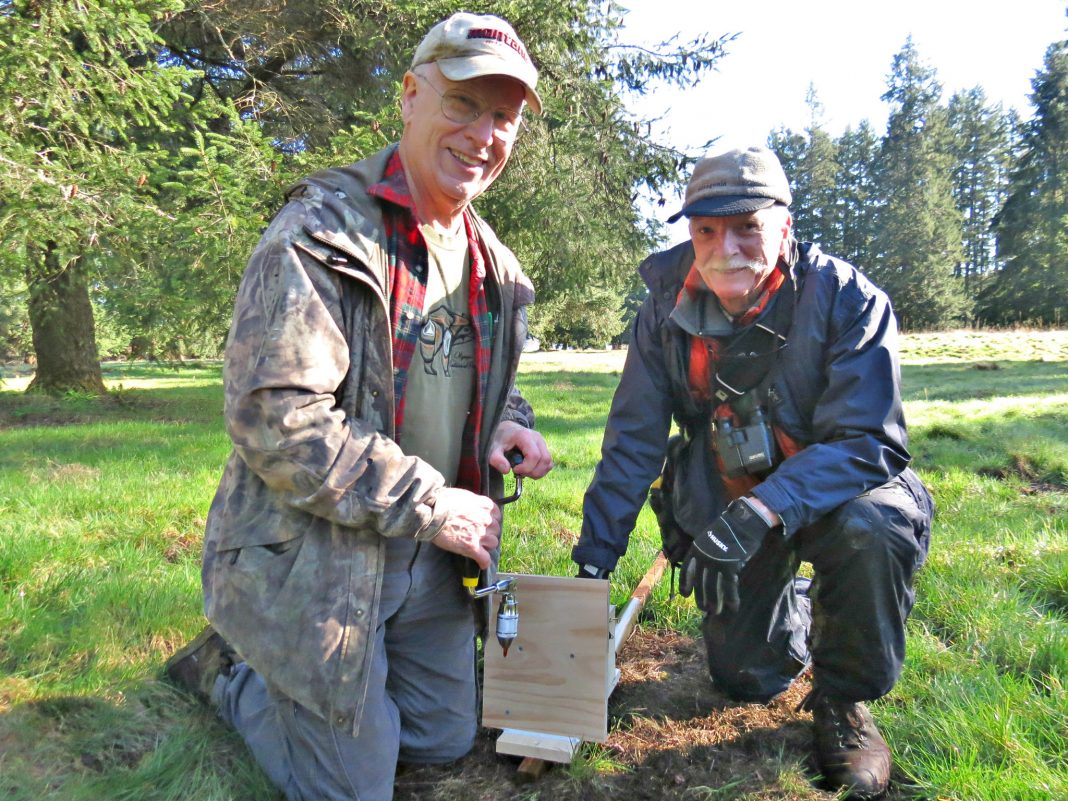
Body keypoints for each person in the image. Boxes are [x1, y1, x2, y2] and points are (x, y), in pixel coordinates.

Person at [164, 13, 552, 801]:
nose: (484, 134)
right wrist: (434, 500)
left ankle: (330, 688)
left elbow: (489, 378)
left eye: (503, 116)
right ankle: (231, 674)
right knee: (355, 788)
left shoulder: (495, 264)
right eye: (463, 104)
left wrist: (512, 421)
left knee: (443, 739)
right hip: (320, 554)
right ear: (411, 96)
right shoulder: (320, 231)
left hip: (430, 557)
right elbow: (277, 418)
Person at [572, 146, 933, 799]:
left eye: (747, 227)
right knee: (745, 676)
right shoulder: (662, 311)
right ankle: (797, 609)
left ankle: (845, 702)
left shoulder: (849, 299)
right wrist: (592, 567)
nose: (724, 248)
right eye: (706, 230)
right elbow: (633, 441)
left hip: (841, 494)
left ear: (785, 226)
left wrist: (763, 509)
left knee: (870, 525)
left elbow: (869, 440)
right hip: (729, 494)